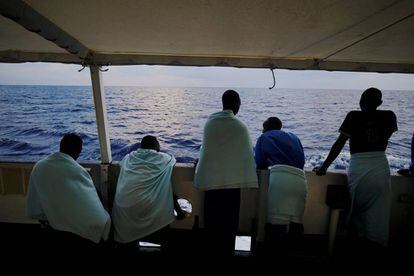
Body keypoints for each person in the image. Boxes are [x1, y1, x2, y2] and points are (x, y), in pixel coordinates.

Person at [313, 87, 398, 248]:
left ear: (360, 101)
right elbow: (387, 135)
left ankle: (354, 246)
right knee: (378, 213)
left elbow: (339, 143)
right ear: (380, 102)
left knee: (354, 210)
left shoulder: (353, 116)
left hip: (358, 166)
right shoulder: (389, 116)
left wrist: (324, 167)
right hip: (380, 165)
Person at [194, 90, 258, 257]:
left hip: (211, 183)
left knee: (211, 222)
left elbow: (207, 151)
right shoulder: (240, 127)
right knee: (229, 224)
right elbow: (246, 156)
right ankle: (227, 254)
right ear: (236, 103)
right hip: (232, 185)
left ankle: (211, 253)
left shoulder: (210, 123)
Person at [26, 133, 111, 248]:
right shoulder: (77, 170)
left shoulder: (39, 166)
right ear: (78, 151)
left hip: (49, 221)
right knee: (103, 220)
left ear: (61, 147)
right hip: (73, 229)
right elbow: (89, 197)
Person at [112, 135, 187, 252]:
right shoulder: (164, 159)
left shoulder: (127, 158)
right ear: (156, 146)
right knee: (163, 188)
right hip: (148, 207)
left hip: (124, 209)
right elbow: (172, 159)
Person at [255, 117, 307, 255]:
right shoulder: (294, 137)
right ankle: (294, 254)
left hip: (280, 179)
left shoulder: (264, 137)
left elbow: (259, 163)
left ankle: (273, 256)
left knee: (276, 226)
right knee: (296, 223)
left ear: (266, 128)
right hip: (301, 180)